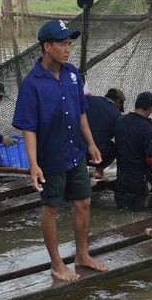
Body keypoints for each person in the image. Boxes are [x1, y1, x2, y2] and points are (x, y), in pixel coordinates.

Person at [12, 19, 108, 281]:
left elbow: (81, 113)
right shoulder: (32, 84)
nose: (68, 49)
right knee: (51, 207)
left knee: (84, 201)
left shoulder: (72, 74)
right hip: (51, 156)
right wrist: (33, 165)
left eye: (69, 44)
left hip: (75, 152)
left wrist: (91, 143)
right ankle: (56, 263)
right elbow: (28, 128)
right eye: (63, 44)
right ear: (47, 46)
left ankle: (82, 255)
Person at [114, 91, 152, 210]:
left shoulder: (119, 121)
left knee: (122, 212)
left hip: (121, 178)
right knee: (146, 214)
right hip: (140, 180)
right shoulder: (148, 129)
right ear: (151, 108)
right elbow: (151, 158)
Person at [86, 88, 125, 180]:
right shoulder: (117, 115)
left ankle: (82, 172)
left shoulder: (89, 99)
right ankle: (99, 171)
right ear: (118, 102)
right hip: (100, 155)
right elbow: (120, 141)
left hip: (77, 153)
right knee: (115, 146)